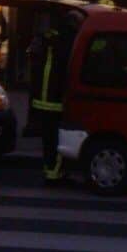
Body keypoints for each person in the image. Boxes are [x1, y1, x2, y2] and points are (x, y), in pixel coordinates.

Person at [31, 9, 82, 183]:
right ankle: (55, 174)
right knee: (57, 138)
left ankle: (49, 169)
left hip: (41, 98)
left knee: (48, 138)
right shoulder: (70, 39)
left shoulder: (48, 37)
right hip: (56, 98)